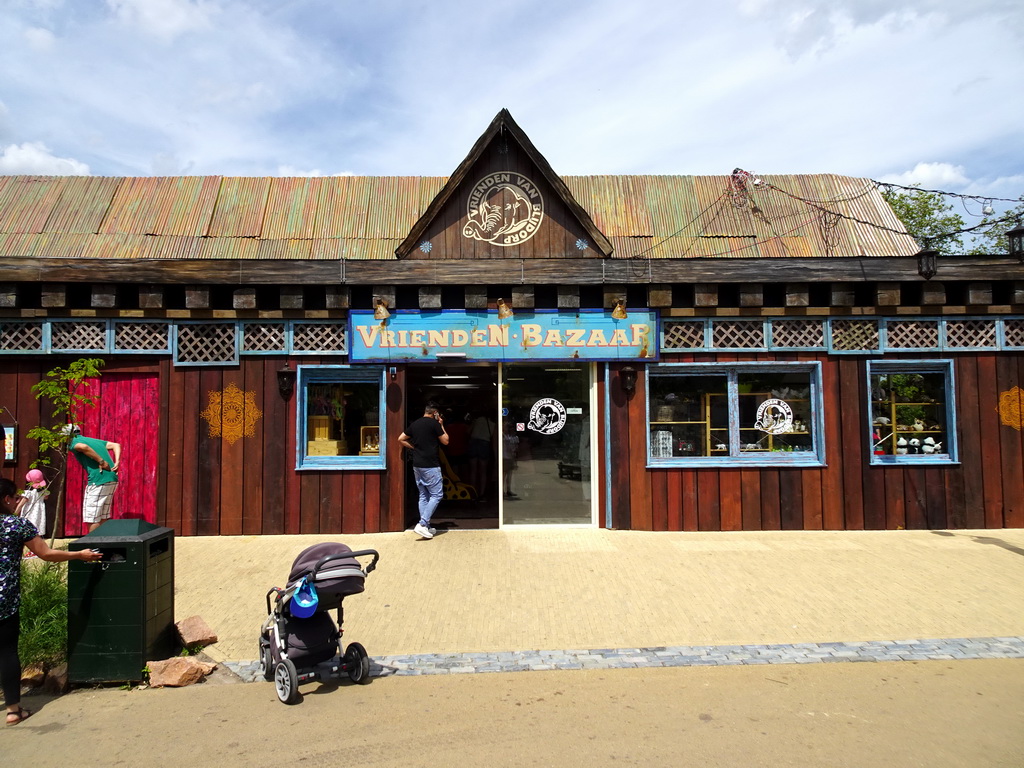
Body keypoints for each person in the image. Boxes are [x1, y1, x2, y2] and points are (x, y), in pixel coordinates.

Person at [1, 477, 102, 725]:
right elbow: (46, 554)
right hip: (4, 601)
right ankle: (13, 710)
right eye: (15, 498)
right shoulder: (16, 525)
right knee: (6, 652)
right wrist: (79, 554)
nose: (17, 501)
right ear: (6, 500)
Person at [397, 403, 449, 539]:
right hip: (430, 465)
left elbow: (401, 439)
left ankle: (426, 526)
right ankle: (422, 523)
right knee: (437, 495)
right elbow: (446, 441)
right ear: (435, 413)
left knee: (423, 495)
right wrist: (441, 424)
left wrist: (413, 448)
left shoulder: (415, 424)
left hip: (417, 465)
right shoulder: (434, 424)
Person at [66, 425, 121, 533]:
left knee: (92, 516)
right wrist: (117, 462)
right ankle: (103, 544)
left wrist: (101, 461)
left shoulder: (72, 442)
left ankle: (94, 547)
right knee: (102, 515)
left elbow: (83, 447)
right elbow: (116, 445)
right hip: (111, 478)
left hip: (98, 480)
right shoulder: (92, 440)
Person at [467, 408, 496, 503]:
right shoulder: (492, 424)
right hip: (484, 444)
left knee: (473, 470)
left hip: (473, 443)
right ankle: (482, 494)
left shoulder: (476, 421)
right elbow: (494, 440)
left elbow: (468, 432)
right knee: (483, 471)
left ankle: (472, 493)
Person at [17, 470, 48, 554]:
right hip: (39, 514)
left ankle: (32, 551)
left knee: (28, 533)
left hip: (30, 515)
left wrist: (15, 513)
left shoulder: (28, 493)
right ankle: (37, 550)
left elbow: (21, 504)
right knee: (37, 533)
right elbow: (46, 497)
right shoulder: (43, 492)